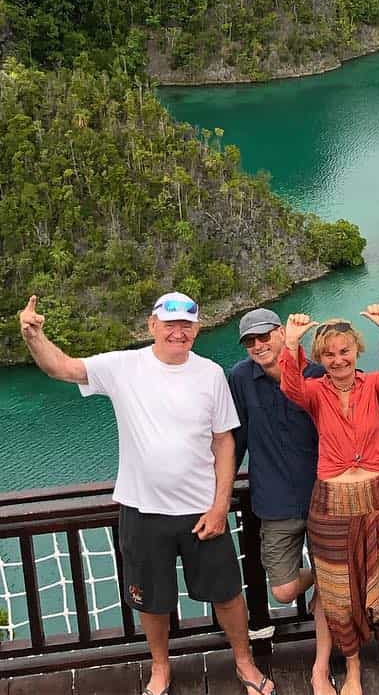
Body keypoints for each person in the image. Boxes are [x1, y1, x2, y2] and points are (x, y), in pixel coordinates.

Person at [18, 293, 275, 695]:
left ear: (197, 329)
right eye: (170, 324)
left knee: (227, 593)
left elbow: (224, 442)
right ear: (152, 325)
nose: (178, 332)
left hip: (202, 510)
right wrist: (34, 335)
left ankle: (244, 661)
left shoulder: (210, 375)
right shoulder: (125, 366)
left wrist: (221, 504)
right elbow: (62, 369)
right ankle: (160, 667)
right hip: (143, 510)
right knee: (151, 602)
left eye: (187, 325)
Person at [278, 305, 379, 695]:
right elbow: (289, 386)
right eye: (329, 354)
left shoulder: (375, 385)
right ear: (319, 359)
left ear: (357, 351)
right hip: (333, 502)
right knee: (338, 590)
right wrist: (290, 342)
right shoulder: (315, 391)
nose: (338, 360)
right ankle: (351, 667)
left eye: (344, 351)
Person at [228, 308, 334, 695]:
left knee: (327, 591)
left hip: (323, 497)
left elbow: (343, 425)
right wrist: (217, 491)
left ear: (282, 333)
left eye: (265, 337)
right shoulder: (241, 377)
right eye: (250, 342)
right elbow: (234, 438)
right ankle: (330, 581)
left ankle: (320, 669)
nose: (258, 346)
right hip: (273, 501)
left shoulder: (317, 372)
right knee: (285, 590)